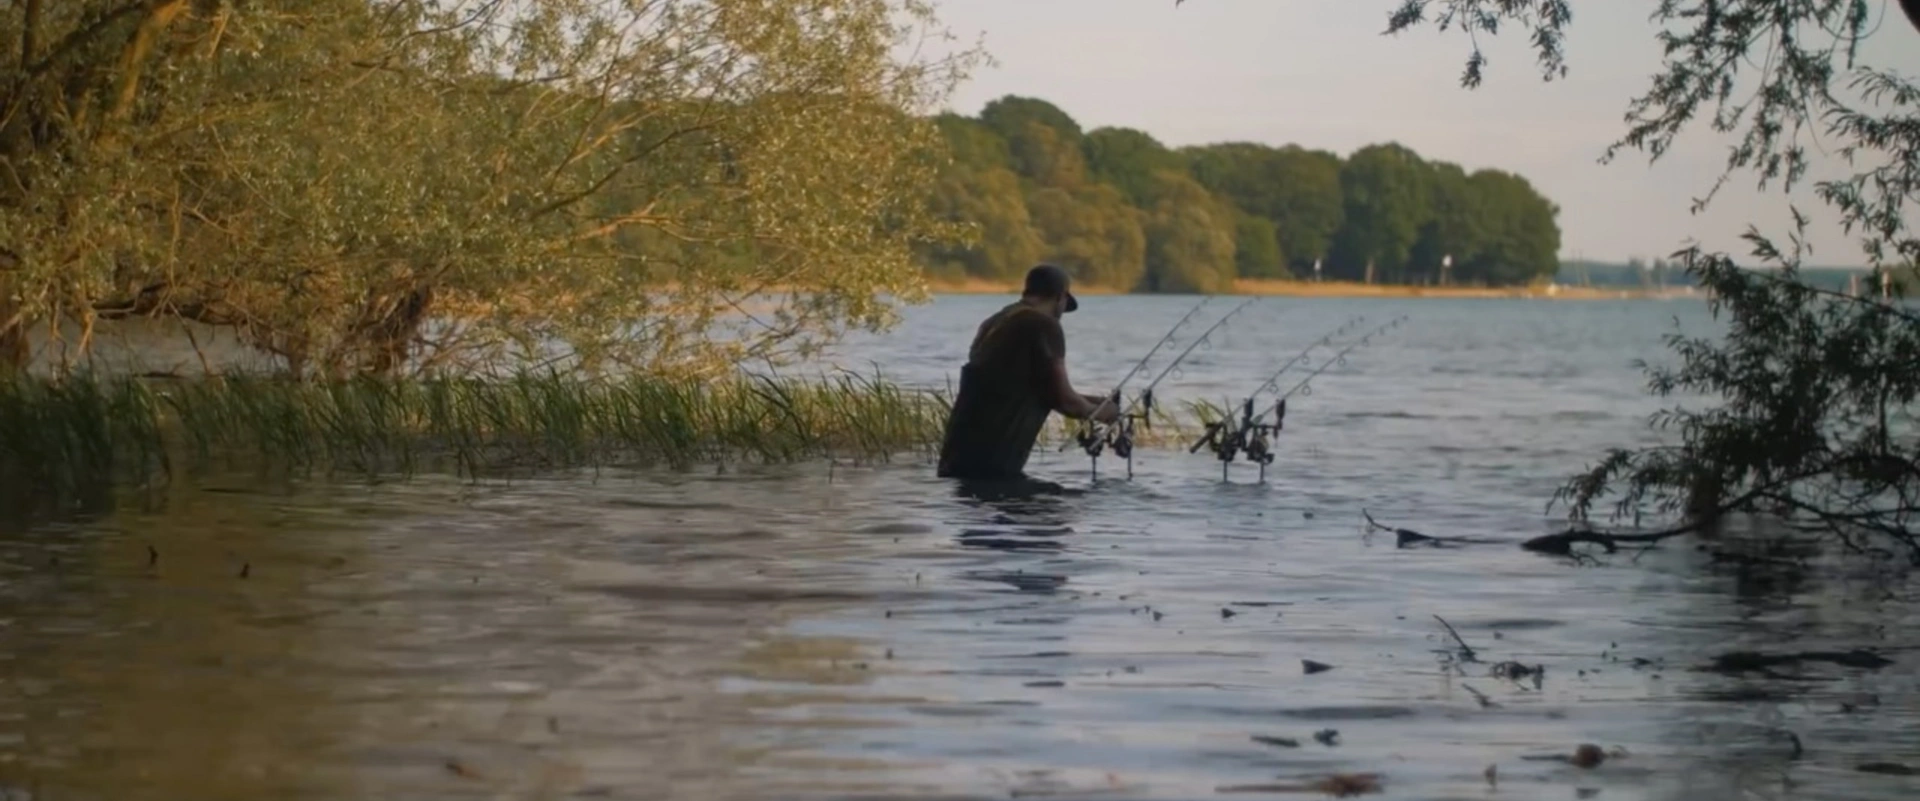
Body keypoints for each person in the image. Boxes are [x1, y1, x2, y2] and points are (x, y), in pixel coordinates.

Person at [936, 264, 1119, 482]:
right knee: (1066, 510)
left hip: (957, 460)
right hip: (993, 468)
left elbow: (1036, 389)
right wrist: (1105, 413)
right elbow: (1065, 401)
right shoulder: (1043, 325)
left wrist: (1096, 402)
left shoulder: (996, 321)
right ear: (1060, 297)